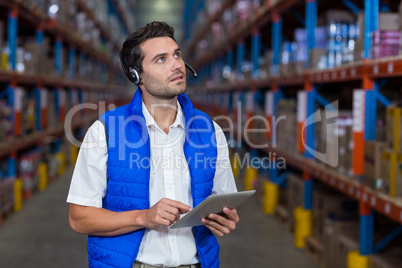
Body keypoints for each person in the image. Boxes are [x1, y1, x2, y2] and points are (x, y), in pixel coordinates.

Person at [67, 21, 239, 268]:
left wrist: (224, 217)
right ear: (137, 76)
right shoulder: (105, 132)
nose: (177, 64)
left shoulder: (209, 130)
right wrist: (143, 217)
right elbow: (79, 219)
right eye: (161, 59)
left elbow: (223, 200)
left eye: (177, 54)